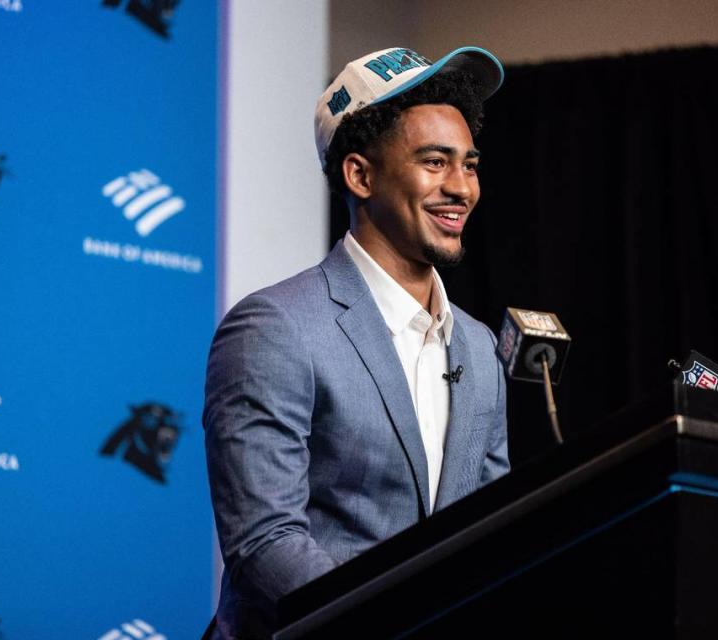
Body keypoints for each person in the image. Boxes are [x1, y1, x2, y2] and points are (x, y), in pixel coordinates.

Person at [203, 46, 509, 638]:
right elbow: (266, 544)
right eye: (434, 161)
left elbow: (488, 530)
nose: (461, 188)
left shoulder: (478, 347)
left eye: (469, 164)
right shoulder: (274, 327)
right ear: (360, 175)